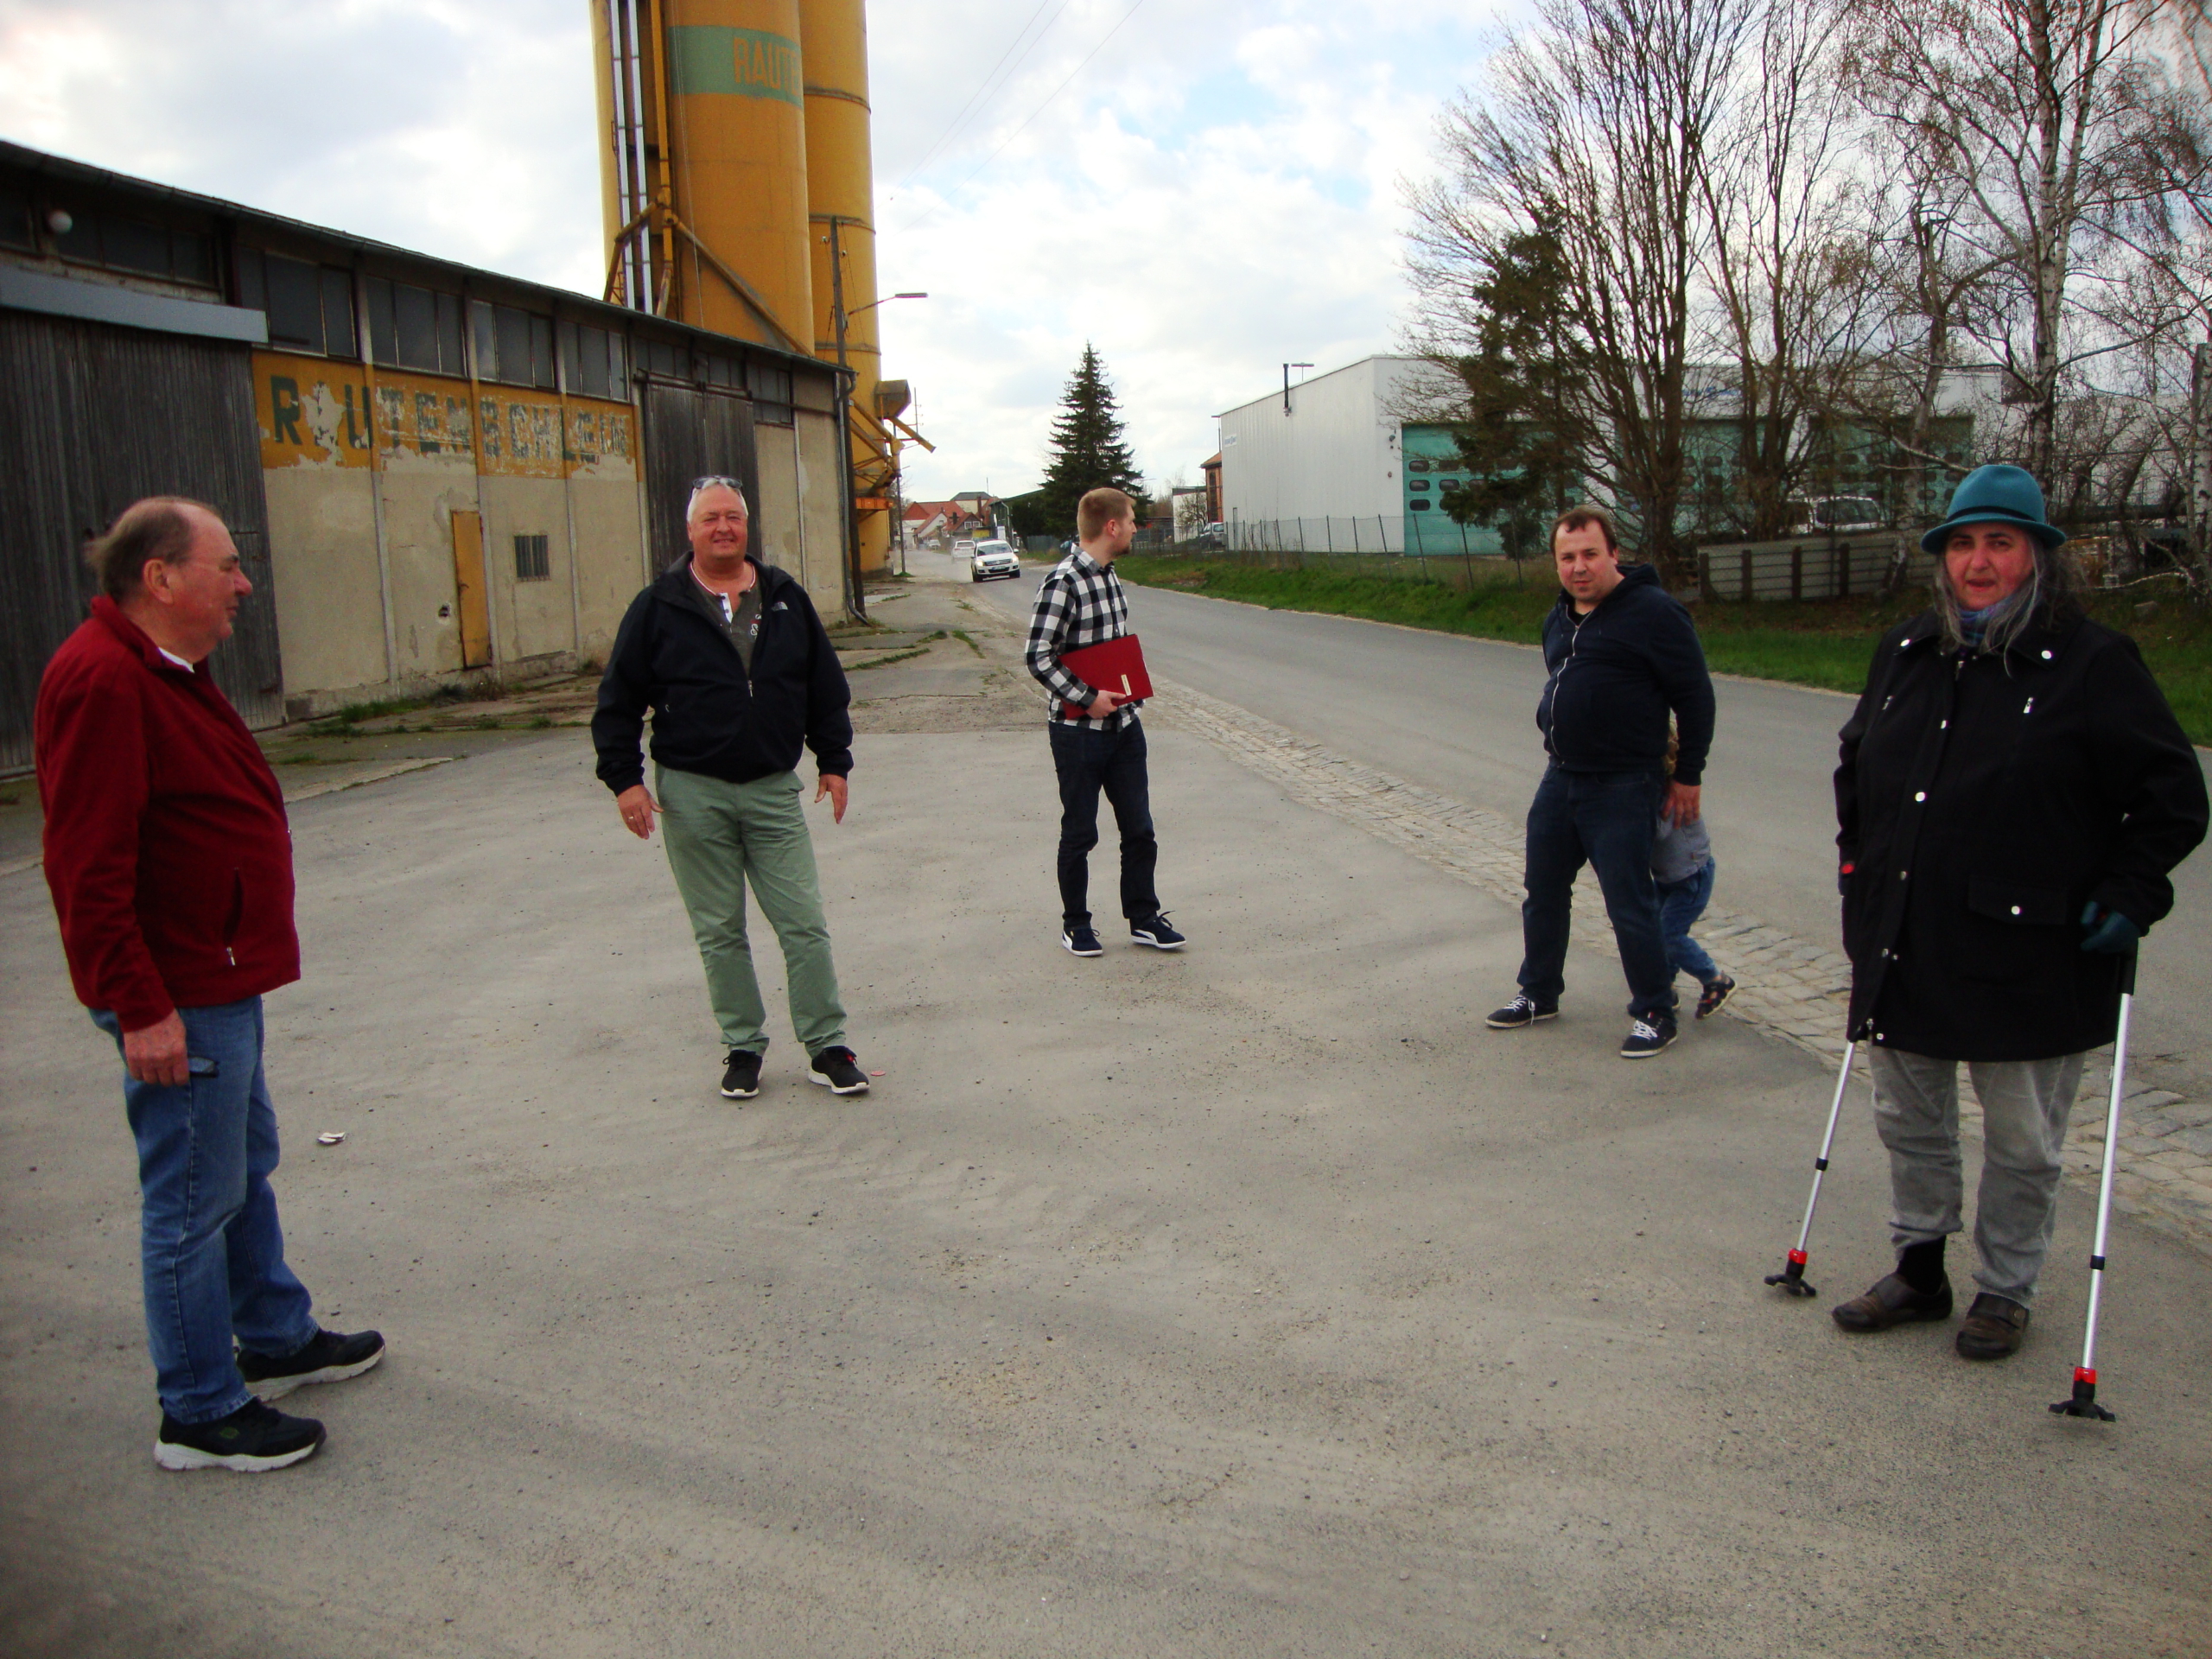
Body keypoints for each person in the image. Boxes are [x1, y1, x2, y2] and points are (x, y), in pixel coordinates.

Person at [35, 498, 385, 1473]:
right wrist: (141, 1005)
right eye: (226, 567)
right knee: (191, 1198)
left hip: (216, 974)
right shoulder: (105, 682)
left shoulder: (169, 670)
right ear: (160, 578)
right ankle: (196, 1409)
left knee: (243, 1162)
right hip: (176, 990)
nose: (241, 585)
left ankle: (273, 1336)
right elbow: (87, 865)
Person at [1830, 464, 2207, 1359]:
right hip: (1907, 935)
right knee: (1908, 1118)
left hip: (2031, 946)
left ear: (2039, 554)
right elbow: (1856, 764)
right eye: (1962, 544)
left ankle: (2005, 1290)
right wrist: (1858, 863)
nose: (1978, 562)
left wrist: (2129, 895)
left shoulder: (2092, 661)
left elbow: (2172, 797)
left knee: (2022, 1139)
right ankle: (1919, 1269)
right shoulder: (1907, 650)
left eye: (2000, 542)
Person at [593, 477, 870, 1102]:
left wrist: (834, 759)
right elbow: (617, 702)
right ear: (689, 531)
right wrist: (625, 781)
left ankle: (827, 1045)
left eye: (734, 517)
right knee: (719, 929)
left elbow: (824, 685)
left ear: (747, 526)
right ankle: (744, 1047)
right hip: (692, 793)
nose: (724, 527)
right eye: (711, 518)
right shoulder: (658, 605)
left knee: (803, 922)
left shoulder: (784, 598)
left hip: (772, 788)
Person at [1486, 505, 1717, 1057]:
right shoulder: (1558, 619)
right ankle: (1538, 992)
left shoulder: (1656, 613)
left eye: (1590, 554)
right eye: (1567, 558)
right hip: (1561, 778)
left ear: (1614, 553)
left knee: (1629, 903)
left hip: (1623, 784)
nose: (1579, 567)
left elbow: (1696, 696)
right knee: (1542, 891)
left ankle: (1655, 1011)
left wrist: (1688, 775)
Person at [1025, 486, 1185, 957]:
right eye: (1132, 519)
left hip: (1125, 727)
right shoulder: (1063, 582)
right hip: (1077, 734)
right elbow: (1037, 656)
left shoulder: (1112, 577)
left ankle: (1143, 917)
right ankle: (1076, 924)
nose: (1137, 526)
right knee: (1081, 832)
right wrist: (1088, 697)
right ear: (1111, 526)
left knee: (1139, 828)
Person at [1653, 730, 1736, 1021]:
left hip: (1691, 876)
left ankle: (1715, 979)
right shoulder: (1657, 789)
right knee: (1660, 929)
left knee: (1669, 934)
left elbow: (1658, 831)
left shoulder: (1670, 793)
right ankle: (1665, 986)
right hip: (1667, 876)